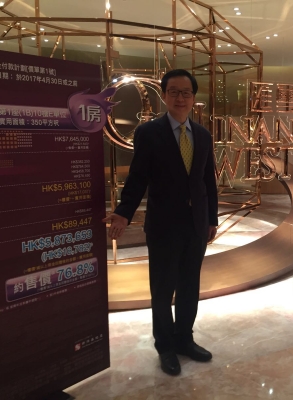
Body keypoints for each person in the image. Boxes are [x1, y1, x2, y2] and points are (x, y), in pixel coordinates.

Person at [103, 69, 218, 376]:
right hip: (164, 225)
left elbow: (208, 181)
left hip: (196, 225)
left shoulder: (203, 135)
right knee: (163, 288)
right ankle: (165, 345)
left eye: (186, 92)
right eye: (174, 92)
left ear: (193, 97)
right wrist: (124, 212)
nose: (180, 98)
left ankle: (184, 339)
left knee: (190, 285)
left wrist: (212, 219)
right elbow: (138, 177)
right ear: (164, 95)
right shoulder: (149, 132)